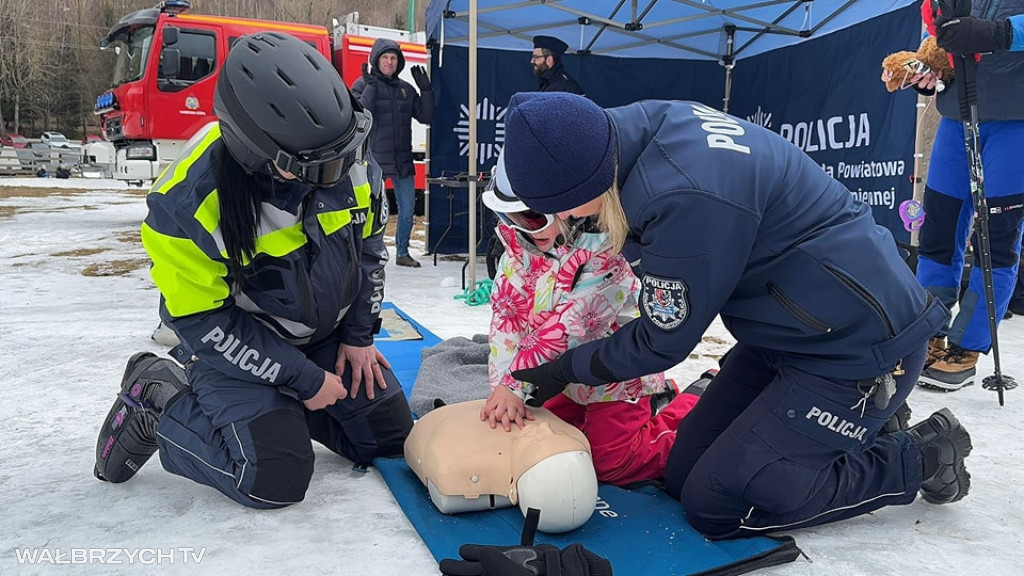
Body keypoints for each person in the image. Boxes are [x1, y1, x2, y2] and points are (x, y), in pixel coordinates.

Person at [500, 91, 970, 540]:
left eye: (555, 209)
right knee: (684, 474)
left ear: (580, 183)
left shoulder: (680, 196)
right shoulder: (632, 131)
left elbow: (661, 340)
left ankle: (917, 457)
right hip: (788, 335)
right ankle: (859, 426)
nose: (560, 221)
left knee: (719, 504)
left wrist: (562, 369)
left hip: (860, 350)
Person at [93, 32, 414, 509]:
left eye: (347, 155)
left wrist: (360, 335)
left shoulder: (341, 144)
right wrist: (302, 379)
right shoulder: (185, 208)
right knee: (271, 479)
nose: (344, 170)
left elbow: (369, 248)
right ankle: (158, 395)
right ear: (259, 153)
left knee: (391, 437)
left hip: (324, 338)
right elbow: (202, 320)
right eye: (323, 167)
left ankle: (279, 415)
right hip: (235, 351)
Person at [480, 150, 704, 487]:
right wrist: (502, 387)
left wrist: (515, 384)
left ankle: (699, 403)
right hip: (562, 376)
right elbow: (506, 316)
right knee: (544, 443)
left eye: (530, 216)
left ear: (565, 206)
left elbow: (574, 323)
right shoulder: (519, 248)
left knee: (613, 464)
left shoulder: (608, 250)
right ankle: (646, 409)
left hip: (615, 375)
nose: (519, 228)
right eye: (505, 215)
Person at [895, 0, 1024, 390]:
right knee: (938, 232)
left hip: (1015, 120)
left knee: (994, 240)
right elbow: (938, 31)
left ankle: (966, 346)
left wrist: (1002, 33)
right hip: (957, 115)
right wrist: (927, 63)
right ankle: (926, 333)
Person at [352, 38, 434, 268]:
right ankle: (362, 252)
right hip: (374, 162)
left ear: (399, 62)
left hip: (402, 162)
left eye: (393, 58)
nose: (389, 62)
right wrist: (370, 87)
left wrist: (426, 90)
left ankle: (402, 252)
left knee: (407, 211)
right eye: (385, 57)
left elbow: (426, 117)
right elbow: (360, 115)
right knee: (369, 212)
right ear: (376, 60)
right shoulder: (362, 85)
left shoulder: (406, 90)